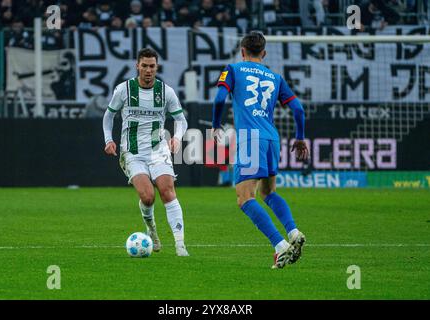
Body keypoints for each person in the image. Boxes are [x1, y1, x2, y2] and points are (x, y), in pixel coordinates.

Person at [211, 31, 309, 269]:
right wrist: (299, 137)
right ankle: (293, 231)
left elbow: (219, 99)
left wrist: (215, 125)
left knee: (245, 199)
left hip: (250, 138)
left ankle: (280, 245)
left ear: (242, 51)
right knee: (269, 193)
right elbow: (298, 109)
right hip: (271, 138)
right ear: (263, 53)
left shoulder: (233, 70)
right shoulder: (276, 77)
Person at [102, 48, 189, 257]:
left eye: (152, 66)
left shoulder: (166, 92)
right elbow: (108, 117)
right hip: (132, 152)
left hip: (158, 150)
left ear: (156, 67)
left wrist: (177, 138)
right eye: (144, 66)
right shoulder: (124, 90)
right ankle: (151, 230)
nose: (148, 70)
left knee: (167, 191)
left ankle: (180, 245)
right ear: (137, 66)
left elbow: (181, 120)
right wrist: (108, 140)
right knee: (148, 197)